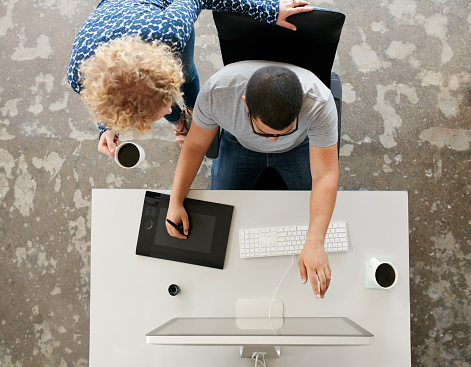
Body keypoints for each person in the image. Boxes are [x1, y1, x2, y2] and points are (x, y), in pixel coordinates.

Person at [165, 61, 339, 299]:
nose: (274, 141)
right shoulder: (217, 93)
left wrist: (316, 241)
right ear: (246, 104)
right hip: (240, 145)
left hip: (299, 148)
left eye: (284, 130)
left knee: (316, 218)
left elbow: (325, 175)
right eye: (265, 132)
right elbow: (195, 145)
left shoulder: (318, 100)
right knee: (217, 219)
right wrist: (174, 201)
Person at [67, 0, 314, 155]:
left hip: (157, 16)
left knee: (187, 76)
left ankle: (197, 113)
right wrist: (106, 128)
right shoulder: (81, 77)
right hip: (114, 18)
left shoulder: (170, 31)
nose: (168, 106)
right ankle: (181, 124)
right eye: (161, 111)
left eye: (167, 98)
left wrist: (268, 10)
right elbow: (108, 108)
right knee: (162, 104)